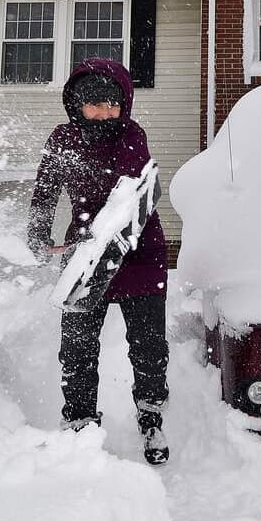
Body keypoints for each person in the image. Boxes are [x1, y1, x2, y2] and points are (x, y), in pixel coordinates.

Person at [26, 58, 170, 466]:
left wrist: (96, 233)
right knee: (77, 347)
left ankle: (151, 412)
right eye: (93, 104)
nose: (104, 112)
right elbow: (45, 191)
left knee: (147, 345)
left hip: (138, 252)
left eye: (112, 103)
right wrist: (39, 232)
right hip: (85, 257)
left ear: (124, 103)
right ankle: (80, 419)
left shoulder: (131, 135)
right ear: (76, 104)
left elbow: (126, 192)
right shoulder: (62, 139)